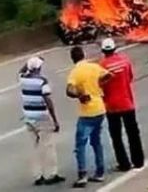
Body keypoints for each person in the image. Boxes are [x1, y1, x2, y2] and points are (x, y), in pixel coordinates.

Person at [66, 45, 111, 188]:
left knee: (80, 144)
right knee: (96, 141)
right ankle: (100, 172)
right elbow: (109, 75)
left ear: (73, 58)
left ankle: (82, 175)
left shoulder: (75, 72)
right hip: (100, 108)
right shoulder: (93, 67)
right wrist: (99, 85)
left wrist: (80, 95)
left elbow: (69, 90)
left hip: (87, 112)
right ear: (83, 55)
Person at [98, 37, 145, 171]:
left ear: (103, 51)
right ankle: (138, 161)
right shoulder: (125, 61)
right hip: (127, 103)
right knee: (133, 133)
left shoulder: (102, 66)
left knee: (116, 136)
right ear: (115, 49)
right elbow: (130, 78)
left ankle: (124, 164)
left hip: (111, 106)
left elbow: (100, 85)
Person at [19, 56, 65, 186]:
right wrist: (55, 120)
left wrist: (29, 62)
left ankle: (37, 176)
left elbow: (20, 71)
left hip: (28, 117)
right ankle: (51, 174)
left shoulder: (23, 80)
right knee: (48, 146)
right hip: (42, 118)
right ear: (39, 68)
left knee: (34, 147)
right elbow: (48, 101)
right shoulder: (42, 81)